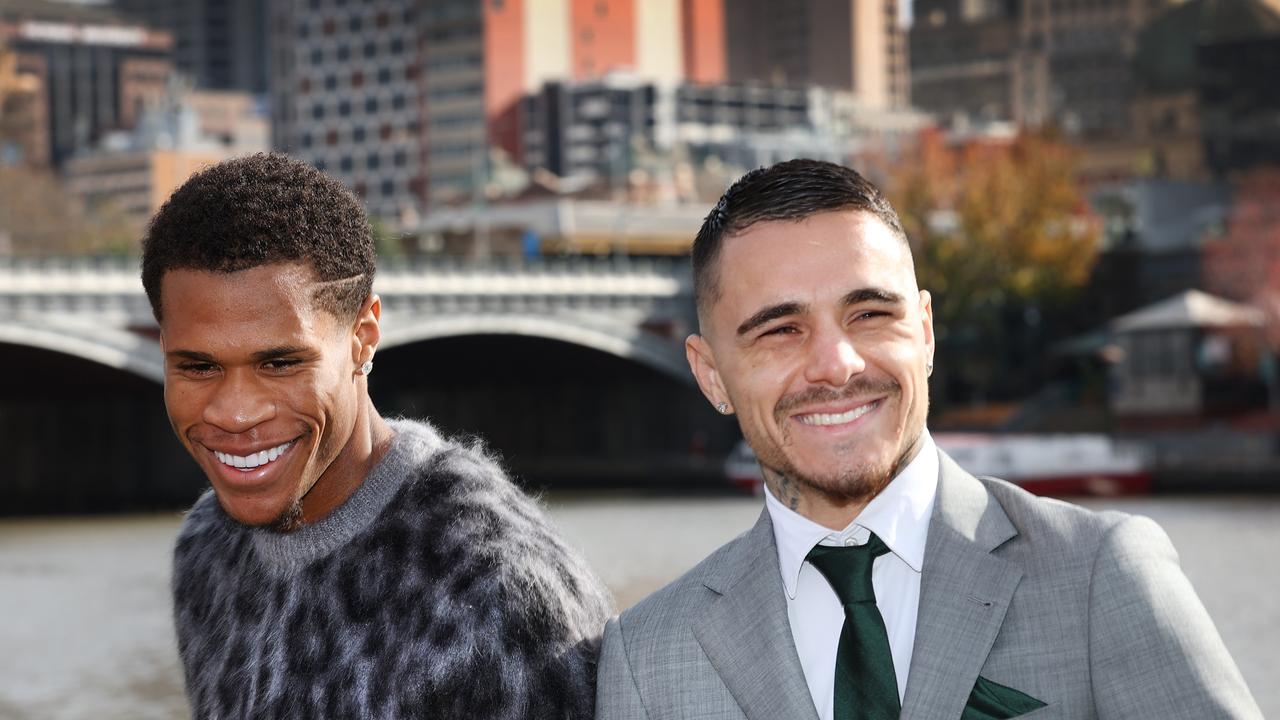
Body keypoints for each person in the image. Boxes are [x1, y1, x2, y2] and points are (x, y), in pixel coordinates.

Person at [596, 159, 1261, 719]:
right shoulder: (646, 656)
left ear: (926, 332)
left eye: (870, 314)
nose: (839, 364)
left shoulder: (1099, 575)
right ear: (711, 375)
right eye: (780, 330)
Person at [142, 153, 612, 719]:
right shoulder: (205, 549)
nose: (235, 413)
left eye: (281, 363)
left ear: (363, 339)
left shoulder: (496, 593)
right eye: (197, 367)